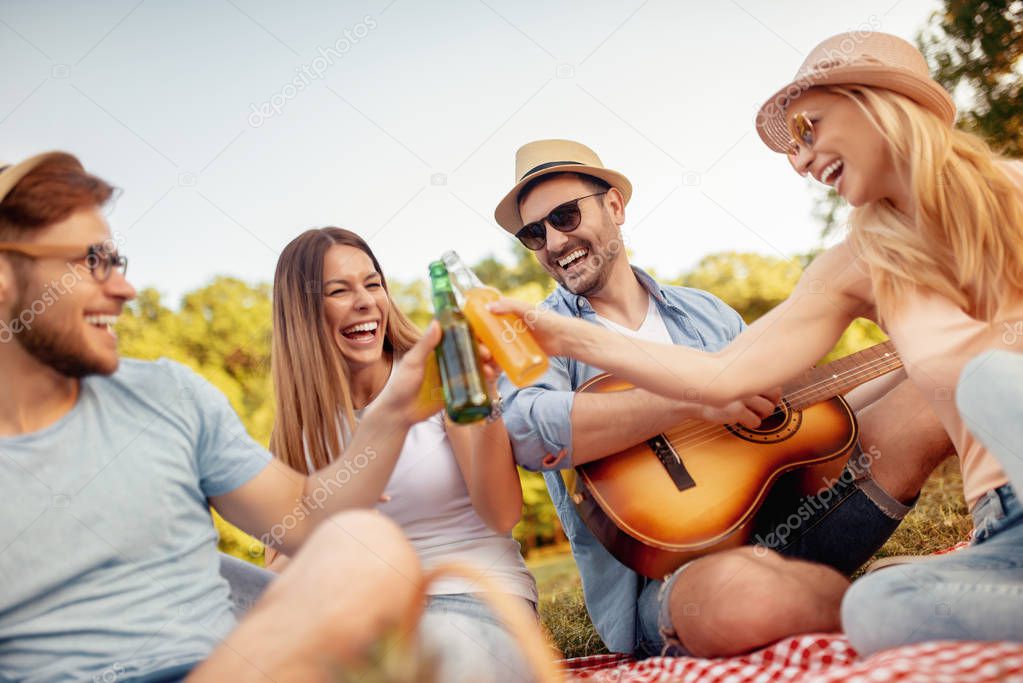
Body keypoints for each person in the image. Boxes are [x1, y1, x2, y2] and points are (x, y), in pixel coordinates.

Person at [491, 33, 1023, 656]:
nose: (553, 242)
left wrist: (922, 356)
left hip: (785, 509)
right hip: (681, 568)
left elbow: (793, 410)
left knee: (970, 383)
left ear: (613, 206)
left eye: (564, 217)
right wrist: (682, 398)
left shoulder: (704, 313)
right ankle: (894, 600)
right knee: (861, 603)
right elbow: (530, 430)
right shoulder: (852, 261)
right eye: (533, 234)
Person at [0, 152, 445, 682]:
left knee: (370, 546)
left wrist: (393, 413)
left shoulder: (166, 395)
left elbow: (302, 518)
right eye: (90, 262)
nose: (123, 289)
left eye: (116, 263)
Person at [262, 227, 538, 682]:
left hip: (467, 599)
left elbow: (503, 514)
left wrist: (484, 402)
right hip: (360, 622)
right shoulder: (297, 431)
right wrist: (343, 505)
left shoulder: (435, 376)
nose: (366, 301)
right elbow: (277, 572)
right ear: (302, 312)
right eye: (339, 291)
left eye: (373, 284)